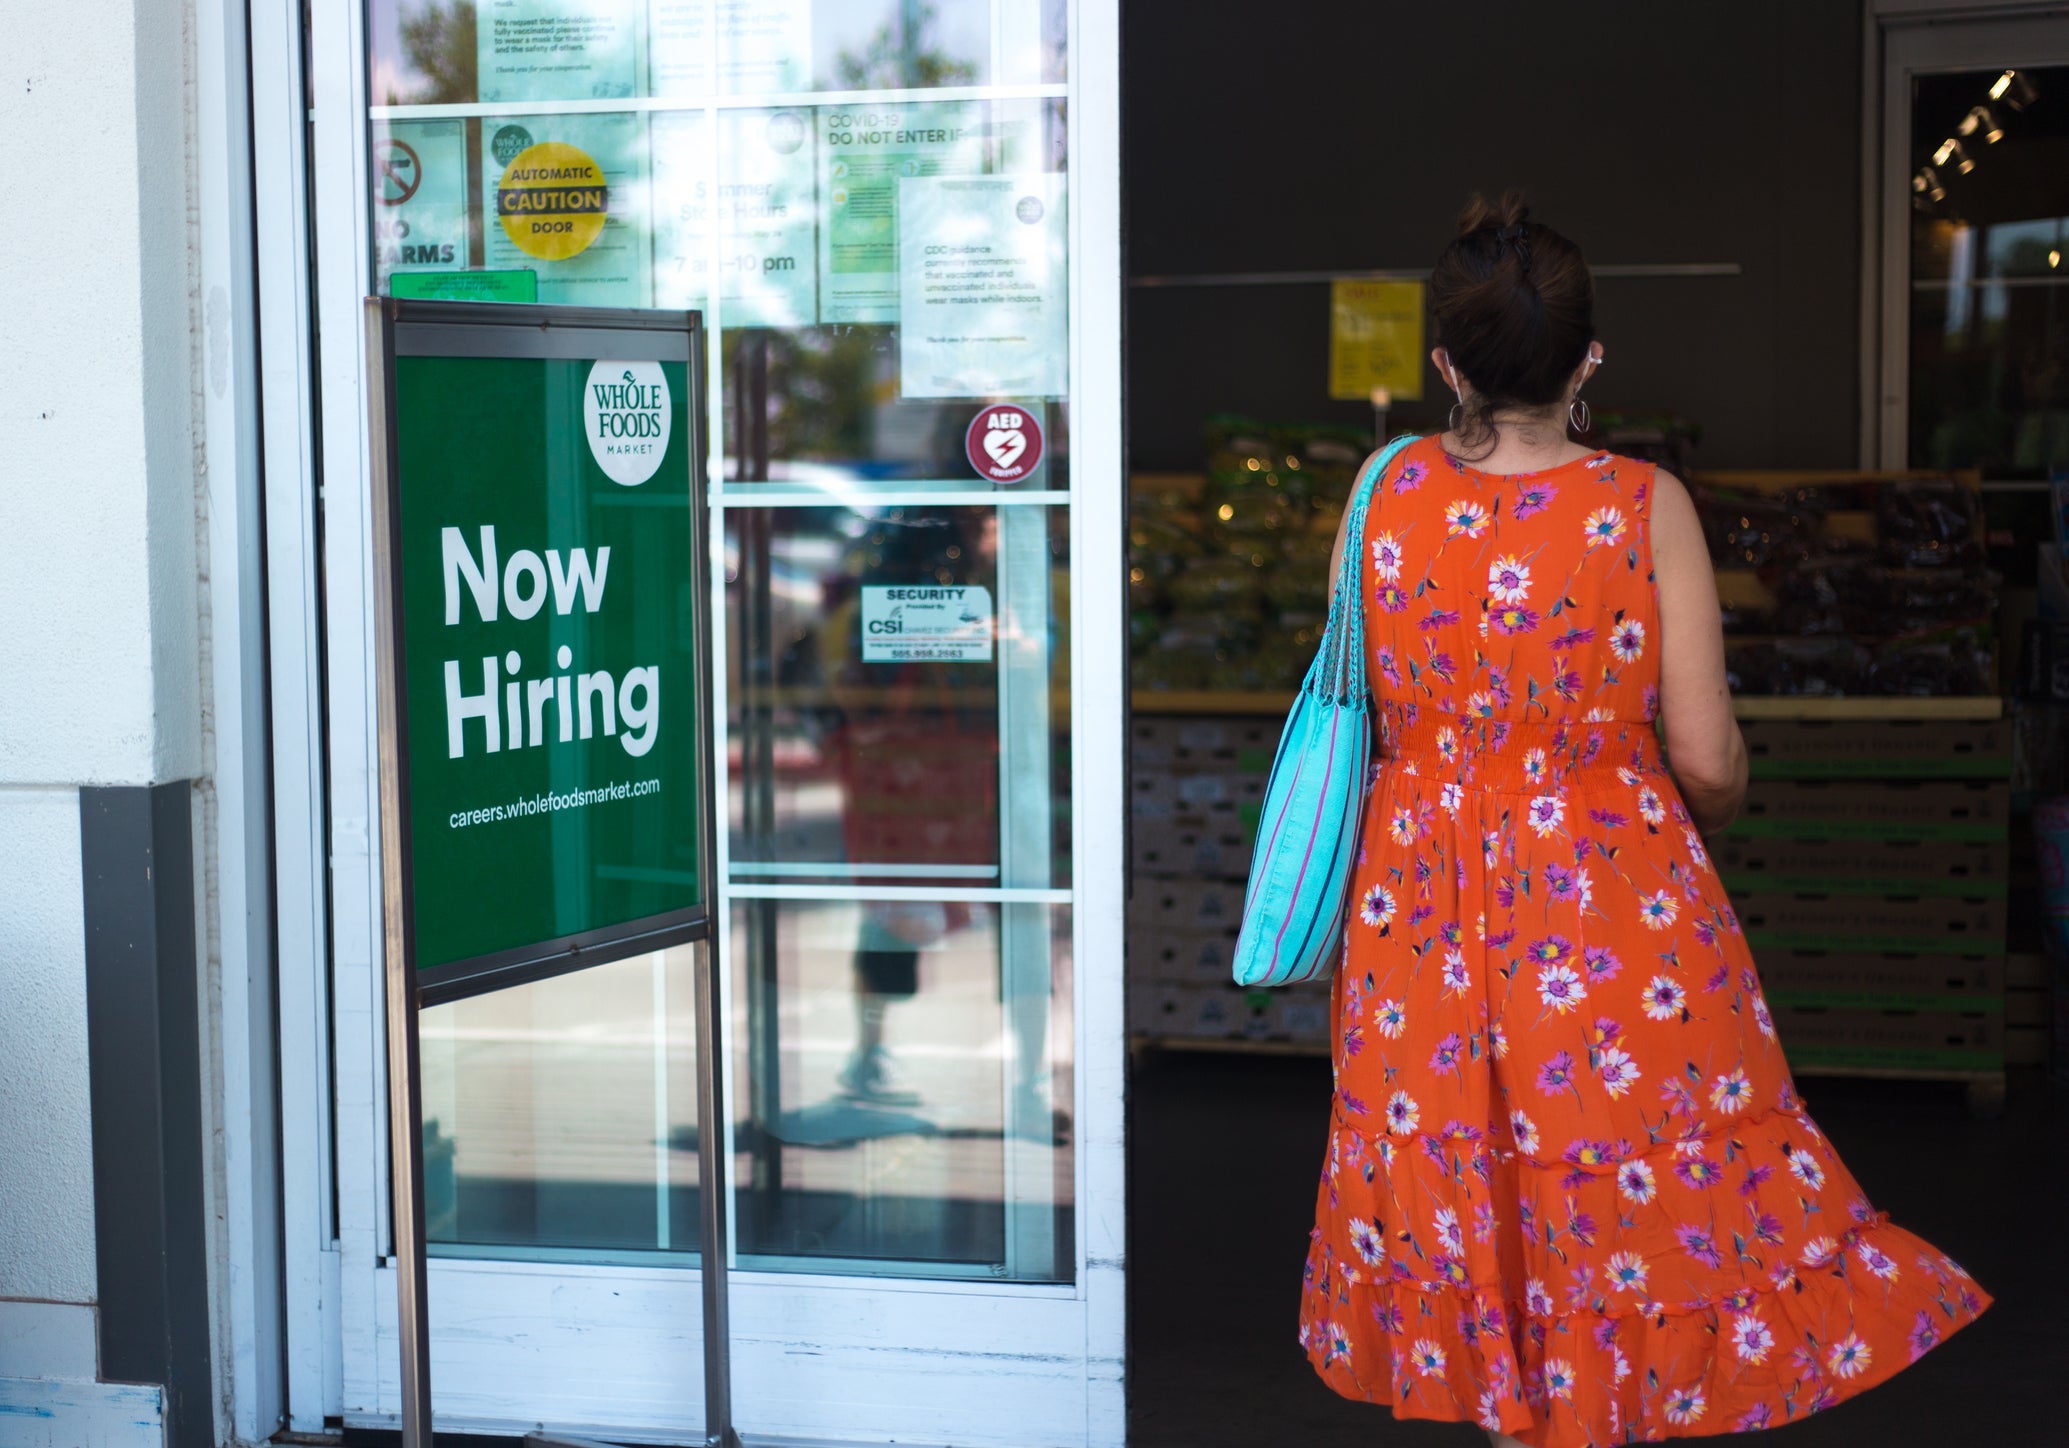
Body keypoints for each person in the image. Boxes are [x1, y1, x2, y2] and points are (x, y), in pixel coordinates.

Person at [1295, 194, 1989, 1447]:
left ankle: (1510, 1414)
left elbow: (1358, 694)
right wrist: (1694, 803)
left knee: (1470, 1182)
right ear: (1589, 358)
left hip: (1414, 916)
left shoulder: (1378, 486)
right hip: (1602, 907)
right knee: (1615, 1179)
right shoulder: (1640, 502)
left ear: (1443, 363)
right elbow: (1705, 756)